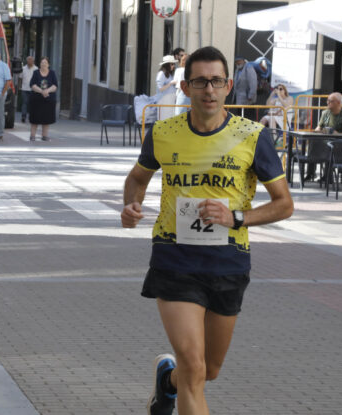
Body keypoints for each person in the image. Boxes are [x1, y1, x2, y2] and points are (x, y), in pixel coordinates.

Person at [121, 46, 293, 415]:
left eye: (216, 81)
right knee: (194, 367)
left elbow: (284, 204)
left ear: (228, 85)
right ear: (185, 86)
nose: (209, 90)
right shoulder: (163, 132)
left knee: (208, 370)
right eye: (200, 82)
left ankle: (167, 384)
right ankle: (178, 377)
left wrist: (238, 218)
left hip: (228, 263)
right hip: (174, 258)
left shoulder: (253, 136)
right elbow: (137, 178)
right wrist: (131, 204)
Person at [28, 57, 58, 141]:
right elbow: (32, 85)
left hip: (48, 100)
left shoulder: (52, 73)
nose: (43, 64)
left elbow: (55, 86)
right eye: (42, 63)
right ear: (39, 64)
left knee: (46, 118)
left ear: (48, 64)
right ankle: (32, 135)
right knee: (35, 119)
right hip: (36, 100)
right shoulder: (36, 73)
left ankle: (45, 135)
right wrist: (41, 91)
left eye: (45, 63)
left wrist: (47, 91)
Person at [156, 55, 177, 121]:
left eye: (174, 64)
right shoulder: (161, 74)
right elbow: (160, 88)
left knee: (170, 118)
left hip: (170, 100)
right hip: (164, 100)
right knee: (164, 119)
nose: (173, 66)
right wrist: (170, 83)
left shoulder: (169, 75)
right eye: (172, 64)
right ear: (167, 65)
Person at [20, 55, 36, 123]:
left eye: (31, 60)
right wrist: (19, 86)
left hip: (33, 89)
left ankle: (31, 116)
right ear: (27, 61)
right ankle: (23, 116)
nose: (30, 61)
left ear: (33, 61)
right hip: (24, 89)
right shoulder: (23, 68)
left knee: (32, 103)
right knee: (25, 103)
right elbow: (20, 78)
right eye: (29, 60)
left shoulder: (36, 69)